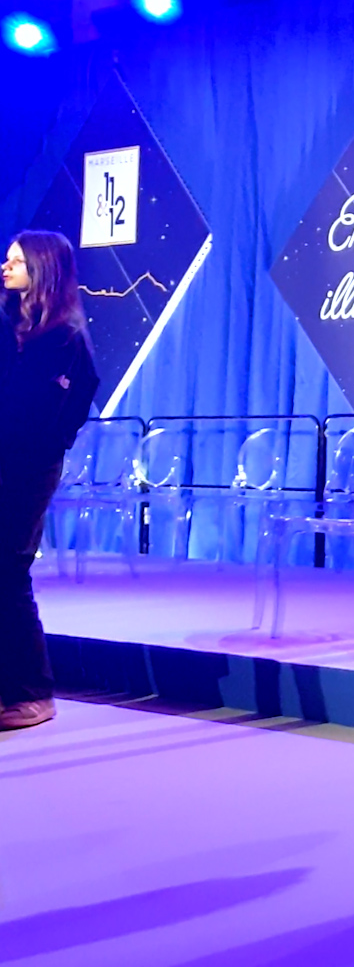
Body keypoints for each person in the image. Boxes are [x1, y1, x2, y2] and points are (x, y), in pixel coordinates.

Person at [0, 231, 100, 731]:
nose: (5, 266)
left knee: (9, 571)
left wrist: (56, 440)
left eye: (17, 261)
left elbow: (81, 393)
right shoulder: (8, 324)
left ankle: (33, 692)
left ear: (42, 267)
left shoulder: (65, 336)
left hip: (29, 467)